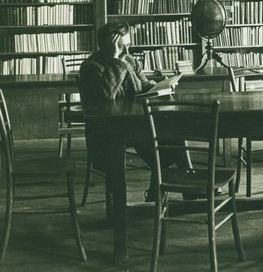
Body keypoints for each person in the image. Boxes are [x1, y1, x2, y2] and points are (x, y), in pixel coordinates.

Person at [78, 21, 189, 201]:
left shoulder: (129, 60)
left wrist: (161, 86)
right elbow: (106, 97)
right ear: (108, 44)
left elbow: (143, 84)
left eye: (128, 45)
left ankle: (184, 188)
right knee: (163, 144)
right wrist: (115, 60)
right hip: (109, 130)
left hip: (136, 122)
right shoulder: (91, 66)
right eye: (121, 46)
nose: (127, 52)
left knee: (174, 134)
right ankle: (171, 189)